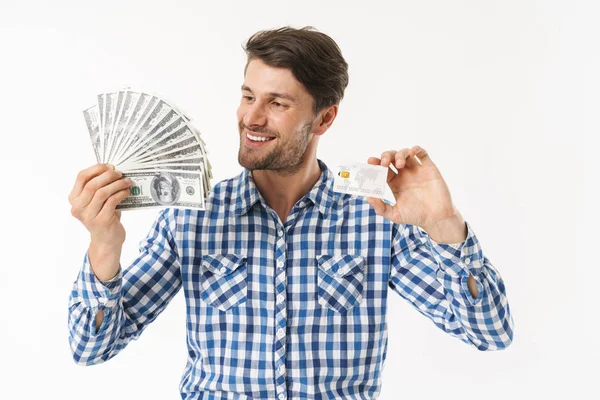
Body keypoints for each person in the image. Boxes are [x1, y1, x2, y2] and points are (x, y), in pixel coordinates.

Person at [68, 26, 513, 400]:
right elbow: (91, 348)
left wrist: (445, 227)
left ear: (324, 119)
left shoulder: (375, 218)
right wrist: (104, 246)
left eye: (277, 103)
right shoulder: (191, 219)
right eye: (248, 96)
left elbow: (490, 332)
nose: (252, 118)